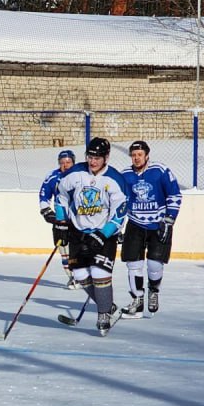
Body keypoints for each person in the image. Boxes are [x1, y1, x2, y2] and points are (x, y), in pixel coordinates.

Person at [53, 136, 129, 335]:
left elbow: (119, 212)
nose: (93, 161)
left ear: (107, 158)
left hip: (104, 233)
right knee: (79, 275)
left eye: (97, 157)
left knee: (99, 273)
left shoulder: (114, 179)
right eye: (90, 156)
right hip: (78, 231)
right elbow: (60, 194)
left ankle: (103, 314)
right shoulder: (76, 173)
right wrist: (61, 222)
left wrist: (103, 235)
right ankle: (109, 306)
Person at [118, 140, 183, 316]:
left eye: (140, 155)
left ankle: (153, 290)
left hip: (159, 224)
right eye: (133, 155)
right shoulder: (125, 175)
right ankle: (137, 301)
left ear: (147, 155)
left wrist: (169, 219)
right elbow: (120, 202)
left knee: (154, 264)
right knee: (133, 264)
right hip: (135, 223)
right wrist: (117, 226)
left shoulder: (160, 171)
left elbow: (174, 195)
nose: (136, 158)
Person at [38, 149, 78, 287]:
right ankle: (72, 277)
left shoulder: (81, 175)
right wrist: (46, 211)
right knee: (64, 249)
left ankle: (83, 275)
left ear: (73, 162)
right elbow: (44, 195)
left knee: (79, 249)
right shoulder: (53, 177)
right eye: (62, 162)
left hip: (80, 220)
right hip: (61, 220)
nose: (65, 165)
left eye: (68, 162)